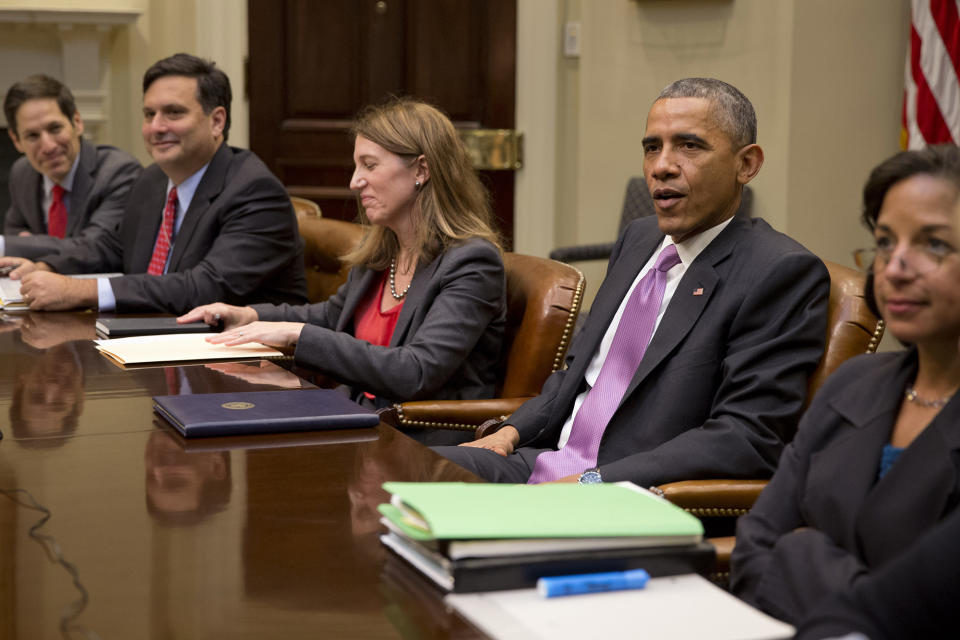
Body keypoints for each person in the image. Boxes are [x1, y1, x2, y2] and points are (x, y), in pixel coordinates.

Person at [433, 77, 830, 486]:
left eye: (689, 146)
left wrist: (595, 483)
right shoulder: (640, 238)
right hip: (541, 464)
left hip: (632, 494)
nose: (661, 166)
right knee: (398, 474)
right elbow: (581, 373)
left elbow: (745, 438)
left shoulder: (778, 272)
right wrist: (510, 433)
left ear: (746, 164)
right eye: (652, 147)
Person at [179, 98, 505, 445]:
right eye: (356, 167)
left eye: (369, 165)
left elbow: (415, 372)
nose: (354, 182)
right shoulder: (384, 251)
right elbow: (331, 316)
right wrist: (247, 316)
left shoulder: (472, 263)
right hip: (359, 423)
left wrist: (297, 335)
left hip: (420, 443)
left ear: (421, 170)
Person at [730, 145, 960, 627]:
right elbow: (754, 548)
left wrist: (802, 555)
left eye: (933, 244)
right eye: (885, 242)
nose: (895, 267)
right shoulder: (854, 382)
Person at [0, 53, 306, 314]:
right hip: (159, 339)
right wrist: (49, 267)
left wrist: (81, 290)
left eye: (174, 113)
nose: (157, 127)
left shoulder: (254, 191)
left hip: (251, 364)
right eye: (149, 114)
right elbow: (111, 247)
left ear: (217, 121)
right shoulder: (153, 180)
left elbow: (205, 286)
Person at [3, 74, 141, 260]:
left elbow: (94, 247)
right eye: (32, 136)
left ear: (77, 122)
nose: (48, 146)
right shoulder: (22, 172)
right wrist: (23, 243)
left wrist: (22, 246)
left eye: (55, 129)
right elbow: (15, 229)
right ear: (16, 141)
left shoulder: (119, 172)